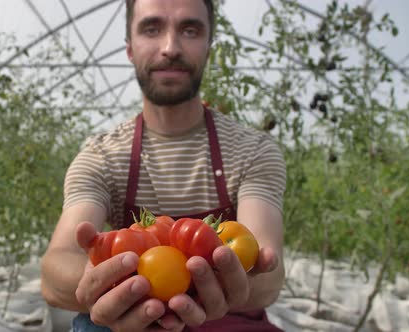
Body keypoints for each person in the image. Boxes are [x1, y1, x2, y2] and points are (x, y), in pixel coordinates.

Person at [41, 0, 286, 331]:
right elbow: (57, 268)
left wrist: (173, 283)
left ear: (209, 47)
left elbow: (268, 276)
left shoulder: (252, 150)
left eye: (190, 30)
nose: (170, 47)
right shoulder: (102, 156)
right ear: (129, 48)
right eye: (151, 28)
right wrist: (108, 284)